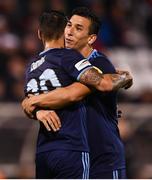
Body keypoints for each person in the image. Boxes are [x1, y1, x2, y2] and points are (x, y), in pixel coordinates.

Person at [22, 9, 132, 178]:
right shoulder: (61, 63)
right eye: (68, 25)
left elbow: (71, 93)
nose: (69, 32)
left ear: (91, 38)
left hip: (103, 159)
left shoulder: (99, 64)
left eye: (78, 28)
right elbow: (34, 94)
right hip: (75, 154)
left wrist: (34, 101)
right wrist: (38, 110)